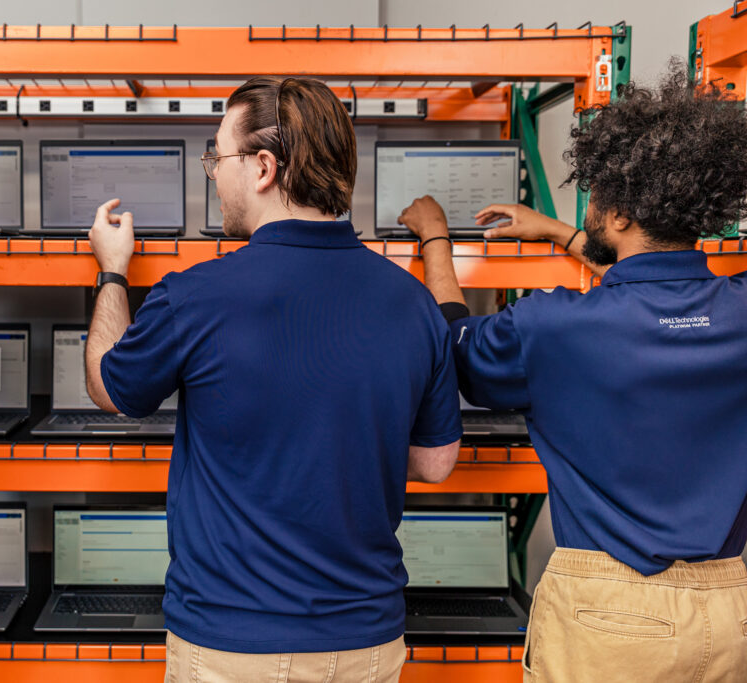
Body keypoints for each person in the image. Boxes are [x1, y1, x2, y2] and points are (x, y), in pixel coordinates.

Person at [83, 76, 462, 682]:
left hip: (233, 648)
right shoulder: (413, 303)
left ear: (263, 168)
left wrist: (112, 273)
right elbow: (435, 463)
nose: (214, 175)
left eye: (218, 158)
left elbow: (110, 387)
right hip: (367, 645)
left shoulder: (195, 296)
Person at [398, 63, 747, 683]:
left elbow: (457, 346)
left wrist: (435, 241)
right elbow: (654, 287)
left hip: (611, 616)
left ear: (618, 215)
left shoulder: (552, 327)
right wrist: (560, 232)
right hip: (730, 615)